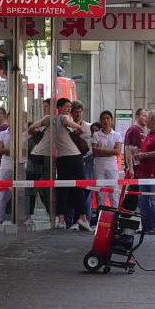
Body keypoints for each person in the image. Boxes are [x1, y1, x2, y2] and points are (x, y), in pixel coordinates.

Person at [28, 97, 93, 231]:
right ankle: (82, 218)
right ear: (60, 108)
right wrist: (77, 129)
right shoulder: (64, 118)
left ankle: (61, 220)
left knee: (62, 189)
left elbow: (32, 127)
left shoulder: (50, 119)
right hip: (74, 157)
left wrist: (39, 132)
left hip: (62, 158)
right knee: (79, 187)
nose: (69, 109)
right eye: (67, 106)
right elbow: (75, 126)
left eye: (70, 107)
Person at [67, 101, 93, 228]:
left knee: (85, 189)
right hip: (71, 160)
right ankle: (72, 220)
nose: (78, 114)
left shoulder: (88, 126)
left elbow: (91, 144)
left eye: (80, 112)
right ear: (71, 113)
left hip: (86, 160)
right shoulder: (69, 126)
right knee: (71, 189)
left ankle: (84, 218)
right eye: (75, 112)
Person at [91, 111, 123, 209]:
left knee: (114, 191)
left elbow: (117, 151)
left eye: (108, 118)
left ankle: (115, 217)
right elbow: (95, 151)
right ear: (100, 121)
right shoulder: (96, 135)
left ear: (111, 120)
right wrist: (110, 151)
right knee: (101, 193)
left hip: (112, 165)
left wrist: (101, 150)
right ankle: (101, 217)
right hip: (99, 165)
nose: (105, 121)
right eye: (103, 118)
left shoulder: (117, 134)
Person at [123, 108, 148, 211]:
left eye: (147, 116)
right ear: (137, 116)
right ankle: (124, 220)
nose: (146, 118)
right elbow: (129, 149)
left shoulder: (141, 131)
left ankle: (127, 219)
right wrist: (131, 168)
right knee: (132, 196)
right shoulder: (134, 130)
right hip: (135, 169)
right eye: (144, 115)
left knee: (135, 197)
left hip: (140, 169)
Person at [0, 113, 12, 224]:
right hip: (5, 166)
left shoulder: (23, 133)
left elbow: (24, 151)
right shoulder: (3, 134)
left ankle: (22, 218)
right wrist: (13, 151)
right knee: (2, 193)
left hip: (19, 165)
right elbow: (0, 150)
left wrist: (8, 150)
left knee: (20, 192)